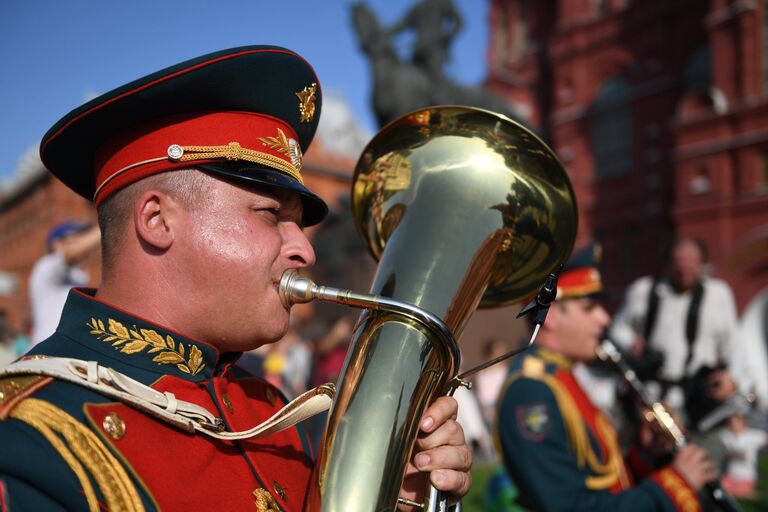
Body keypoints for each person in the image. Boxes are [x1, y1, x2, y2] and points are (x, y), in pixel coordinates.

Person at [0, 45, 471, 511]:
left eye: (300, 225)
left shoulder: (274, 414)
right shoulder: (26, 438)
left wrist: (401, 497)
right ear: (157, 220)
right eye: (271, 214)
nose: (304, 249)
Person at [496, 243, 717, 511]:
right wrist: (673, 485)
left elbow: (603, 484)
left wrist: (645, 454)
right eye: (590, 308)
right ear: (551, 314)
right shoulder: (531, 392)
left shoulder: (561, 378)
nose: (604, 319)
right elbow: (571, 507)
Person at [610, 236, 744, 423]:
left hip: (698, 396)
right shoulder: (644, 290)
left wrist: (732, 379)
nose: (684, 269)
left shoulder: (718, 294)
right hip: (652, 393)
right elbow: (617, 327)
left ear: (702, 264)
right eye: (679, 263)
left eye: (692, 262)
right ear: (668, 263)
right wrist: (631, 343)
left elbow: (734, 345)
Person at [28, 220, 100, 347]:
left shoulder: (79, 275)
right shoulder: (47, 265)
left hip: (69, 352)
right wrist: (108, 226)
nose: (81, 241)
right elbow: (71, 253)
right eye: (75, 238)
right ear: (56, 244)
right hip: (47, 352)